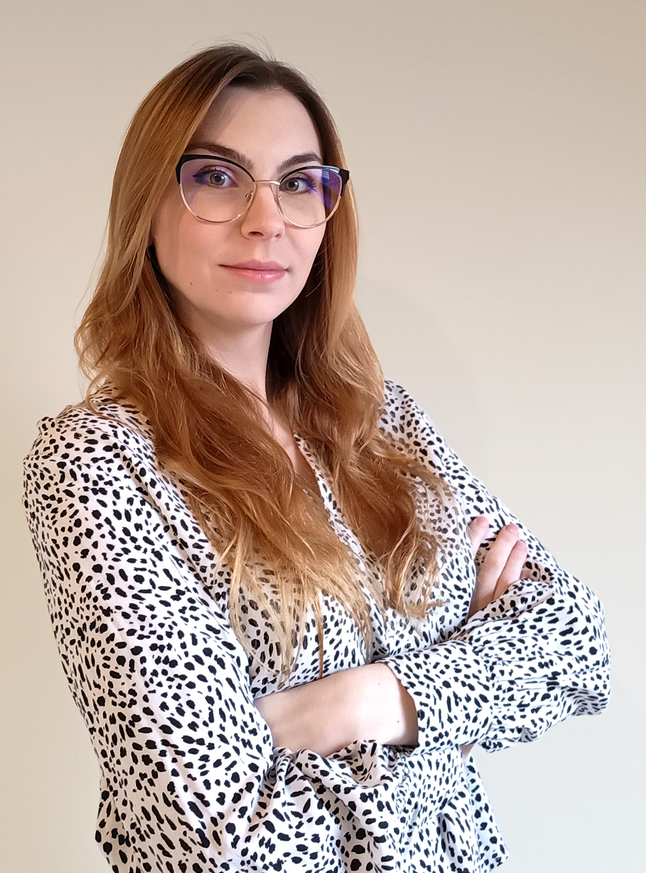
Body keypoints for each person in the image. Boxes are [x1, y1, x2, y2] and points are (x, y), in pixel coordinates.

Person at [22, 44, 610, 873]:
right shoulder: (96, 461)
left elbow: (577, 645)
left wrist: (356, 702)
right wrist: (450, 704)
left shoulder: (384, 422)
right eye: (217, 176)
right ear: (146, 205)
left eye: (300, 183)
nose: (266, 218)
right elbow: (219, 842)